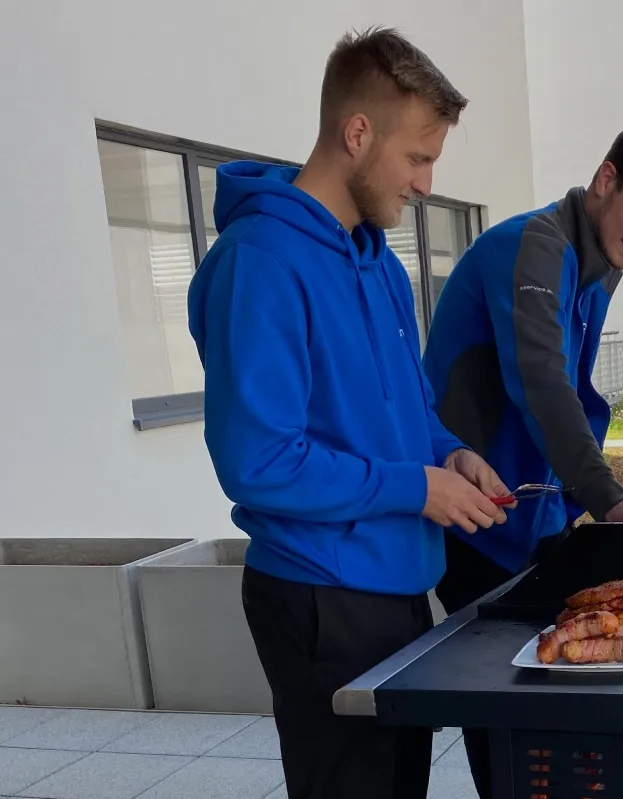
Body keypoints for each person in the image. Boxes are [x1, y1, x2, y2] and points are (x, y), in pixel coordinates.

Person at [187, 26, 510, 799]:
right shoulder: (259, 261)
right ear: (356, 133)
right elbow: (259, 461)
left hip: (398, 588)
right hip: (318, 597)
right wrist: (415, 487)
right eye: (418, 157)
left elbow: (412, 416)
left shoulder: (378, 263)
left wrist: (449, 455)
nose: (427, 183)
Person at [422, 111, 623, 798]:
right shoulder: (536, 247)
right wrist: (608, 497)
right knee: (514, 739)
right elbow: (543, 386)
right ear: (605, 179)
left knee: (567, 723)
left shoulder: (601, 264)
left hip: (533, 520)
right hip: (474, 524)